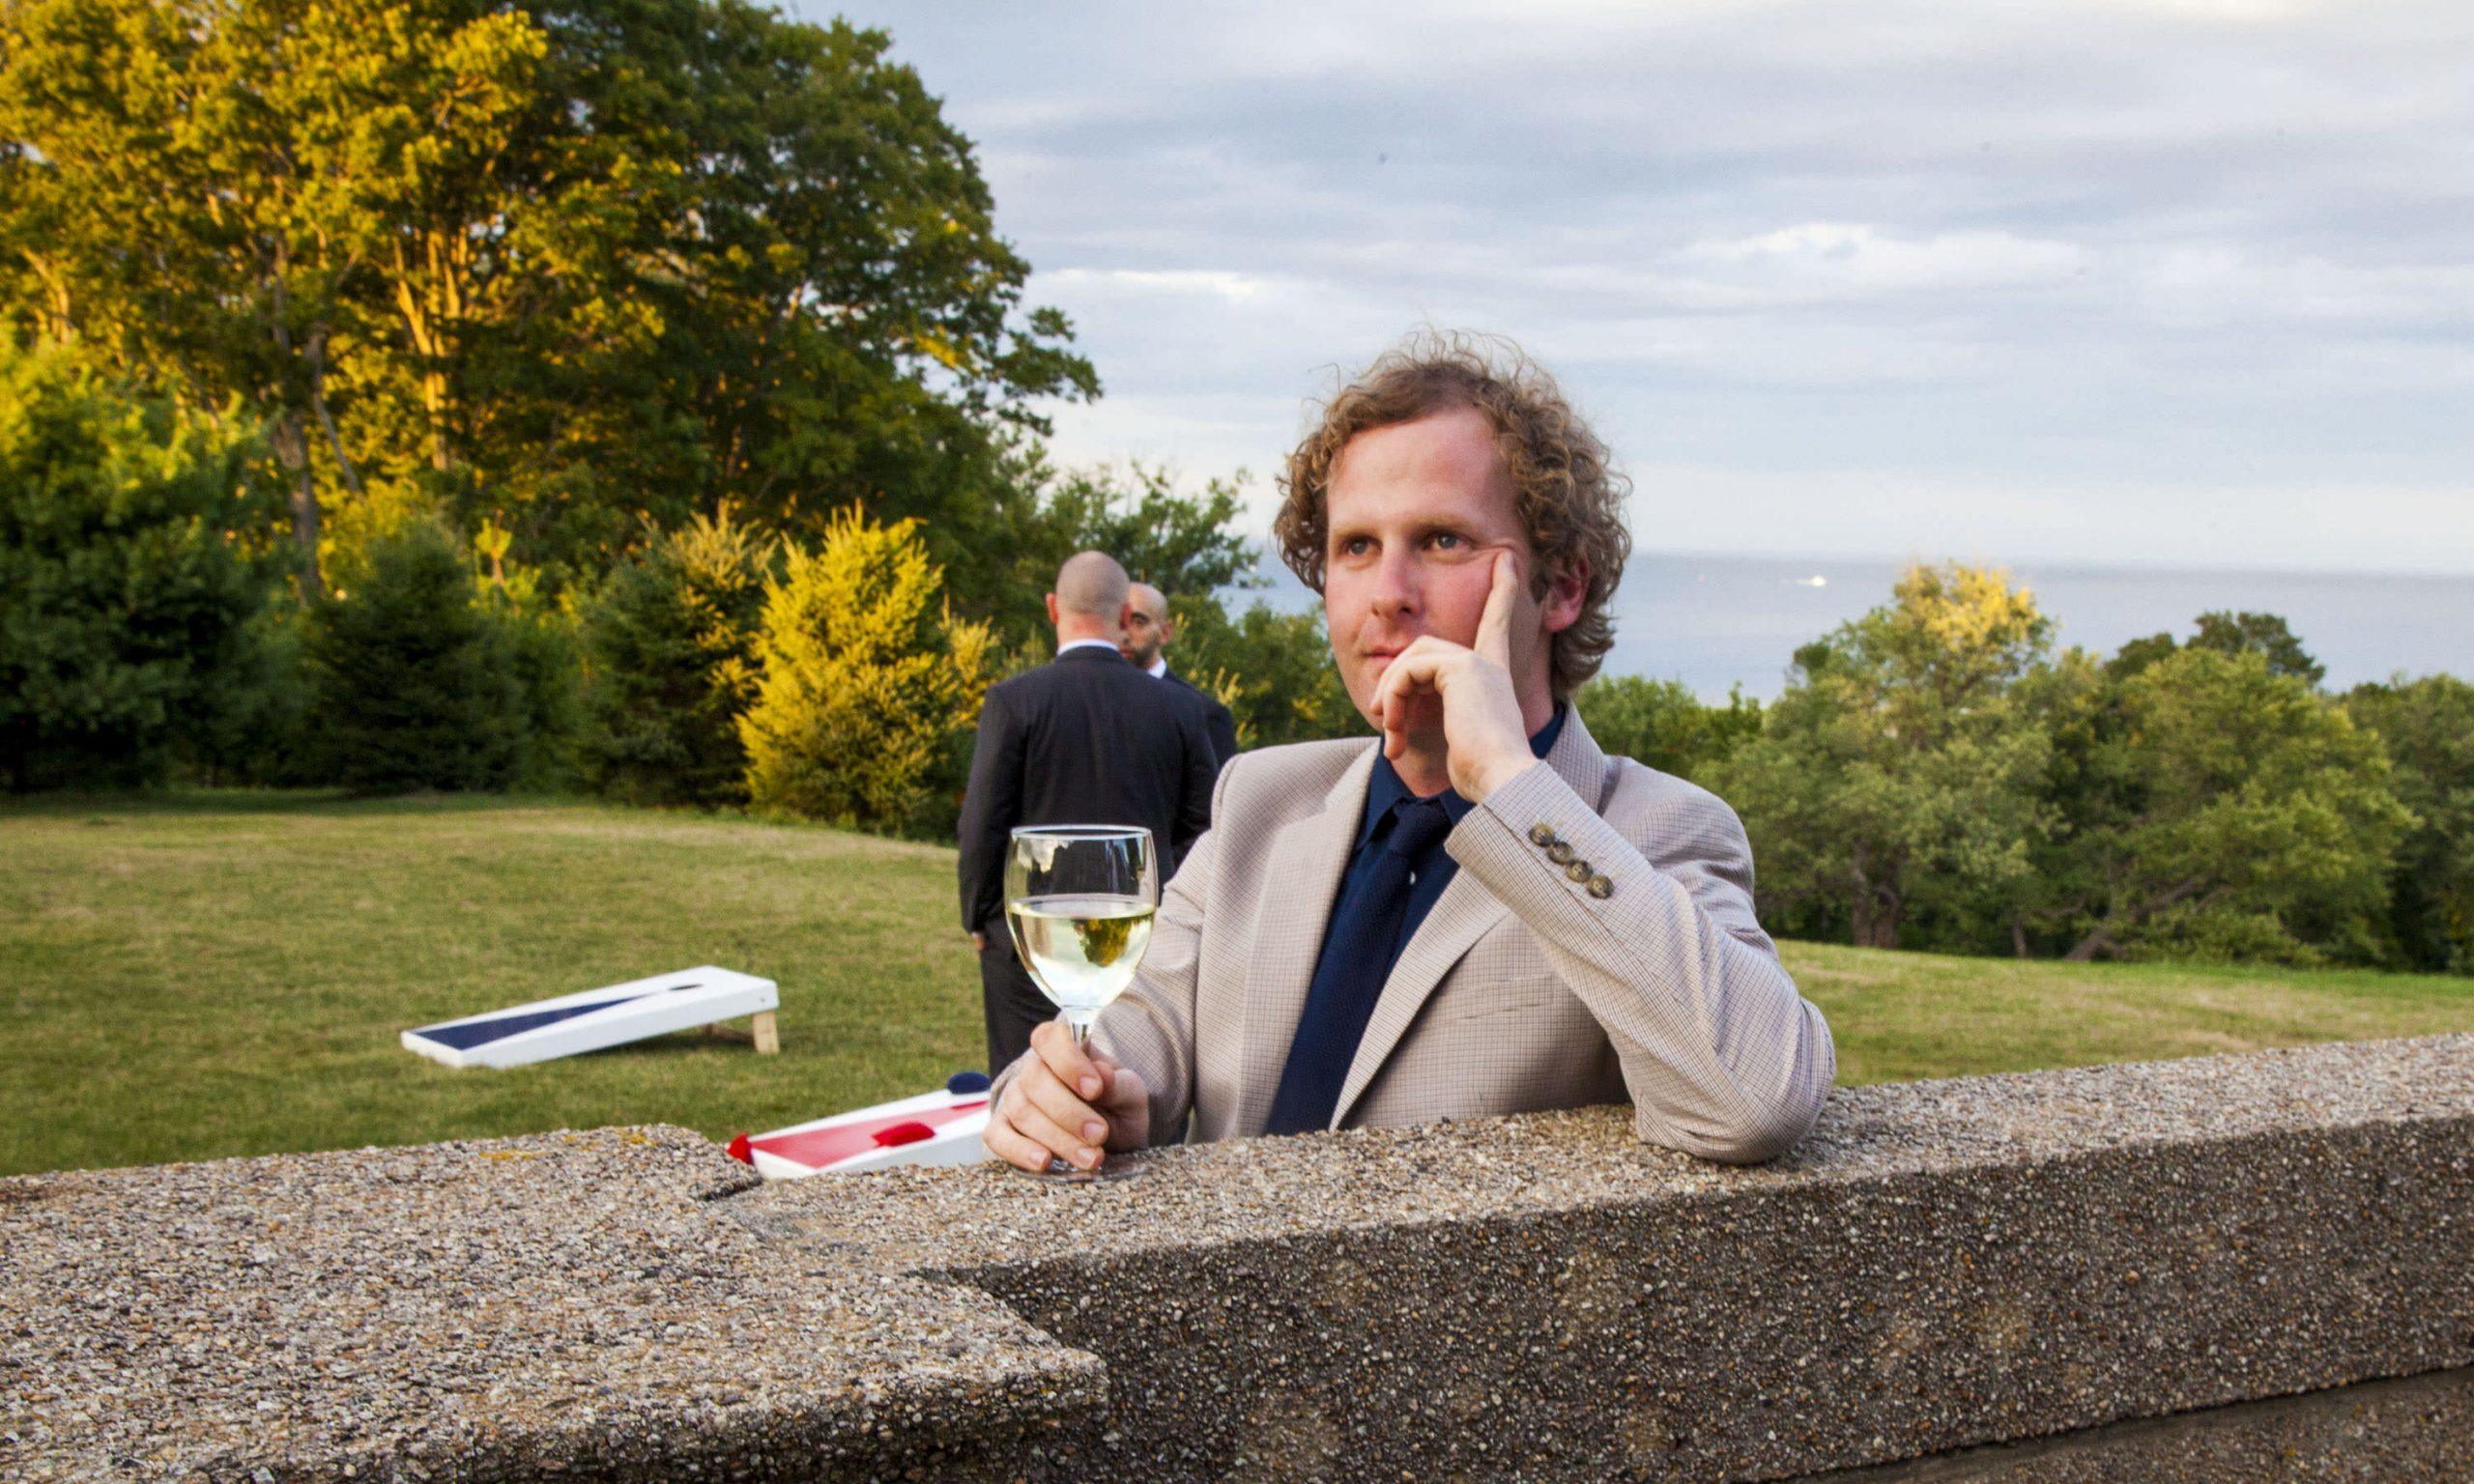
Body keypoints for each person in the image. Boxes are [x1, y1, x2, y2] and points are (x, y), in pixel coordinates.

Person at [986, 335, 1835, 1173]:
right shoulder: (1261, 800)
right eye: (1356, 547)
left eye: (1441, 541)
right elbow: (1134, 1027)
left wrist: (1508, 784)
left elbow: (1753, 1099)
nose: (1387, 596)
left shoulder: (1657, 829)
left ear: (1563, 586)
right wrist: (1066, 1090)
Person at [957, 551, 1220, 1074]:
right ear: (1126, 617)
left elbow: (983, 821)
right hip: (1143, 935)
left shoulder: (1015, 701)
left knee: (1027, 1087)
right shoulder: (1183, 709)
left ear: (1053, 608)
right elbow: (1207, 828)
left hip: (1030, 939)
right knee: (1132, 1084)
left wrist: (980, 916)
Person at [1121, 581, 1240, 772]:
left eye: (1138, 622)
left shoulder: (1205, 714)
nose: (1125, 634)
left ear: (1165, 633)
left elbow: (1220, 797)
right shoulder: (1093, 705)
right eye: (1118, 622)